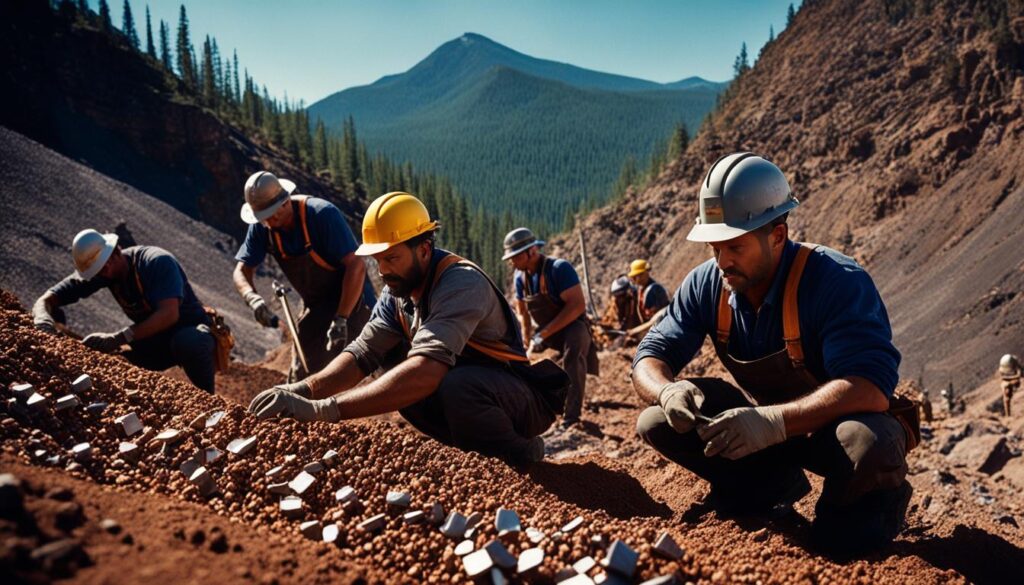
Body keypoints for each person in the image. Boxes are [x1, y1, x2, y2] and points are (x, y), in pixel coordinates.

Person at [632, 152, 911, 554]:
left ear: (777, 235)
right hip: (761, 430)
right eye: (714, 247)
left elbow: (870, 387)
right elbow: (650, 355)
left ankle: (858, 514)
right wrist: (665, 391)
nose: (722, 261)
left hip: (830, 432)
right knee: (657, 421)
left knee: (870, 443)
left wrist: (773, 422)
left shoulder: (836, 281)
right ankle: (769, 486)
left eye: (735, 247)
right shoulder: (709, 284)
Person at [248, 193, 566, 466]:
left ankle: (521, 453)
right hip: (476, 391)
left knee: (446, 383)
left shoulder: (460, 283)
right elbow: (362, 354)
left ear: (424, 249)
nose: (383, 271)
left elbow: (426, 372)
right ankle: (470, 448)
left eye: (391, 258)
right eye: (377, 260)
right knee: (397, 375)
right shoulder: (397, 292)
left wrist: (323, 411)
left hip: (521, 399)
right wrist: (301, 391)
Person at [232, 171, 376, 380]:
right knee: (303, 371)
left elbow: (356, 266)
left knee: (372, 357)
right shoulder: (262, 227)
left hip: (354, 298)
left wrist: (341, 318)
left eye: (272, 215)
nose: (268, 223)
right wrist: (252, 298)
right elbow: (241, 272)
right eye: (263, 218)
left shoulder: (321, 215)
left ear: (285, 201)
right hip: (316, 303)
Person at [33, 229, 216, 392]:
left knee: (187, 341)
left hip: (192, 333)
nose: (100, 275)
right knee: (113, 357)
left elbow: (169, 314)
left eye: (102, 269)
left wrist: (117, 338)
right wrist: (42, 313)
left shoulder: (156, 262)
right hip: (155, 340)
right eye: (96, 272)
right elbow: (53, 296)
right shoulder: (106, 271)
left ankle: (209, 401)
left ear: (115, 253)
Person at [505, 227, 599, 429]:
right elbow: (522, 312)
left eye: (515, 256)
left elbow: (577, 306)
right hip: (547, 331)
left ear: (531, 252)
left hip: (574, 327)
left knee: (573, 354)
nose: (511, 261)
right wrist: (526, 339)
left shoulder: (559, 269)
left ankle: (571, 417)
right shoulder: (520, 278)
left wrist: (543, 334)